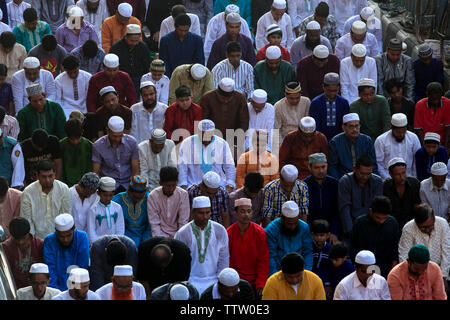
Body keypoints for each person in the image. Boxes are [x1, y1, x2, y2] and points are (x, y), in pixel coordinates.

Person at [174, 196, 229, 295]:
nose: (205, 217)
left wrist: (220, 280)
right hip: (190, 279)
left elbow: (224, 258)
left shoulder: (219, 230)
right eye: (201, 213)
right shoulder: (183, 233)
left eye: (207, 212)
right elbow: (179, 262)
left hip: (215, 279)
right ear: (193, 213)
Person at [398, 203, 450, 286]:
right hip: (416, 273)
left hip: (440, 272)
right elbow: (404, 256)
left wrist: (443, 276)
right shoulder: (408, 228)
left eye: (430, 226)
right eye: (422, 228)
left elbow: (447, 252)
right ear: (416, 223)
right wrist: (409, 277)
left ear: (434, 219)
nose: (427, 230)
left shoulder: (443, 224)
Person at [227, 198, 269, 298]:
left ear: (252, 213)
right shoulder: (229, 233)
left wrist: (260, 283)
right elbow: (227, 259)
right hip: (235, 279)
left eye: (248, 211)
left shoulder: (260, 232)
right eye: (242, 211)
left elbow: (263, 260)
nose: (246, 215)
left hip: (255, 280)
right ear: (235, 213)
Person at [177, 119, 236, 190]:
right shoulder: (187, 143)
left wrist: (230, 184)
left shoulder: (222, 143)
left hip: (217, 186)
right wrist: (183, 185)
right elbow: (182, 167)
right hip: (193, 185)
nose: (206, 139)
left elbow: (229, 166)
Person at [350, 196, 400, 278]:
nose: (381, 221)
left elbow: (395, 247)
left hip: (385, 268)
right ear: (370, 211)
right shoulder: (360, 223)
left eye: (384, 218)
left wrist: (394, 265)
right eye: (378, 217)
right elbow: (353, 247)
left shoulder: (392, 223)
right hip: (364, 268)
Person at [20, 160, 71, 239]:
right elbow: (27, 221)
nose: (47, 180)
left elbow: (66, 216)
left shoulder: (64, 189)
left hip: (60, 238)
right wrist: (34, 241)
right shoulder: (28, 192)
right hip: (36, 239)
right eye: (44, 177)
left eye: (50, 176)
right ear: (37, 176)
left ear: (55, 174)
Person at [338, 155, 383, 244]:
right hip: (351, 227)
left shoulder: (377, 181)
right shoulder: (345, 181)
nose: (365, 177)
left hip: (371, 226)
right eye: (362, 173)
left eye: (368, 174)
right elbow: (344, 209)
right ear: (354, 169)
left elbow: (377, 208)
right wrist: (352, 233)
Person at [43, 213, 90, 291]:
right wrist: (57, 294)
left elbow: (82, 267)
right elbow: (50, 270)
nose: (65, 239)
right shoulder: (49, 241)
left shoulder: (82, 237)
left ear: (74, 229)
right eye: (61, 236)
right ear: (56, 232)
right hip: (56, 290)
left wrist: (73, 293)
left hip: (77, 289)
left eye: (69, 235)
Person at [92, 116, 140, 192]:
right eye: (114, 136)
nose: (117, 139)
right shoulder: (98, 145)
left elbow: (135, 169)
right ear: (107, 131)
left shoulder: (132, 142)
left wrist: (134, 188)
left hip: (128, 184)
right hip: (107, 185)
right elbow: (96, 171)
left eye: (120, 136)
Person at [265, 201, 313, 276]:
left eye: (295, 223)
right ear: (282, 218)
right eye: (289, 223)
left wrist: (305, 274)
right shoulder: (271, 229)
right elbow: (270, 256)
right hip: (279, 271)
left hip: (300, 271)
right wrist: (275, 277)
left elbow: (308, 253)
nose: (292, 227)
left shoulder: (304, 228)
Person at [328, 113, 378, 179]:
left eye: (357, 126)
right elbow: (333, 166)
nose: (354, 129)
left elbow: (373, 163)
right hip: (343, 178)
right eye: (351, 127)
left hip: (364, 177)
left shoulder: (367, 140)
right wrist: (339, 181)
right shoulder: (335, 142)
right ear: (344, 127)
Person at [303, 153, 340, 241]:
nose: (321, 171)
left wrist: (334, 232)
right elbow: (304, 213)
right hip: (311, 231)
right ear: (309, 168)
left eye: (323, 167)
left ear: (327, 166)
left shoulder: (334, 184)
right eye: (316, 168)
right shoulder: (304, 185)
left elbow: (337, 211)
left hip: (330, 230)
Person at [374, 113, 421, 180]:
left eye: (403, 131)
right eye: (398, 132)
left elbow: (416, 162)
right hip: (387, 179)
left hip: (409, 178)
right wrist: (388, 179)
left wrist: (413, 179)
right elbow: (379, 164)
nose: (401, 134)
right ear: (391, 128)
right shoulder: (381, 140)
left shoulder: (413, 138)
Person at [1, 217, 43, 289]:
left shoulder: (39, 245)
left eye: (23, 238)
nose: (21, 242)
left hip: (37, 289)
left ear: (29, 233)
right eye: (17, 239)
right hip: (15, 291)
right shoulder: (5, 248)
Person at [147, 166, 190, 238]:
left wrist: (178, 238)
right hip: (159, 235)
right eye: (168, 186)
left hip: (179, 235)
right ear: (160, 183)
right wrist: (162, 239)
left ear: (177, 182)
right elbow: (154, 224)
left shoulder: (183, 195)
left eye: (174, 185)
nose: (171, 189)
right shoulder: (153, 196)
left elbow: (183, 222)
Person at [110, 24, 151, 96]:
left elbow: (147, 67)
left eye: (136, 41)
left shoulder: (143, 47)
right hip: (120, 80)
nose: (134, 43)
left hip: (139, 80)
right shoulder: (116, 48)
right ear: (126, 37)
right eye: (132, 41)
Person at [159, 14, 204, 78]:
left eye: (186, 31)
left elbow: (199, 61)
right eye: (180, 30)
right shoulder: (166, 40)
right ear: (175, 26)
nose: (183, 33)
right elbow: (164, 62)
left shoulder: (197, 40)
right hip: (171, 76)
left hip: (191, 77)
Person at [112, 175, 151, 247]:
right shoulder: (118, 199)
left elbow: (151, 225)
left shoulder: (149, 199)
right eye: (135, 193)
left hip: (145, 235)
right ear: (129, 190)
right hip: (125, 235)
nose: (138, 195)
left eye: (141, 193)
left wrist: (145, 241)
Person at [382, 158, 421, 229]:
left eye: (403, 173)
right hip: (392, 224)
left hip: (412, 222)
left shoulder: (414, 183)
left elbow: (417, 204)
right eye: (397, 174)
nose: (402, 177)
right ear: (390, 174)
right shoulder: (385, 186)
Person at [309, 73, 349, 141]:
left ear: (339, 87)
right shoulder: (316, 103)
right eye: (329, 91)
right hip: (320, 138)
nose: (332, 94)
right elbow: (316, 125)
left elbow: (345, 124)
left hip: (340, 139)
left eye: (335, 91)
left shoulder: (343, 103)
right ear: (323, 87)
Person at [349, 78, 390, 142]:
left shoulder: (382, 101)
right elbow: (356, 126)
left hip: (382, 137)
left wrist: (384, 138)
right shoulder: (354, 105)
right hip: (362, 139)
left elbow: (386, 121)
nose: (369, 97)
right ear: (359, 94)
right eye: (365, 95)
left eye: (372, 94)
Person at [86, 176, 125, 243]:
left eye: (110, 195)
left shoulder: (117, 207)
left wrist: (116, 241)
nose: (108, 198)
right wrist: (97, 244)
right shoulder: (93, 209)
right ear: (98, 193)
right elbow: (91, 230)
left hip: (115, 243)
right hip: (98, 243)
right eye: (105, 195)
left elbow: (120, 227)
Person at [413, 82, 450, 148]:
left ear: (441, 95)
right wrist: (425, 146)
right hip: (425, 141)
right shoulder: (419, 105)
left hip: (442, 141)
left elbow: (448, 127)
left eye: (437, 97)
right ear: (427, 95)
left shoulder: (447, 103)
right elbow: (418, 129)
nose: (435, 100)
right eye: (432, 98)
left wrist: (446, 146)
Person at [55, 55, 92, 119]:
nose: (72, 75)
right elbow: (58, 100)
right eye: (69, 73)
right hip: (66, 110)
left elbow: (89, 98)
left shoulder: (88, 77)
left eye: (75, 72)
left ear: (79, 66)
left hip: (84, 108)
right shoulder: (59, 80)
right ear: (64, 70)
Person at [60, 120, 93, 188]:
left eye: (78, 138)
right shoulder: (61, 145)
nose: (75, 142)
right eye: (72, 139)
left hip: (85, 185)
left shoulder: (89, 146)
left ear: (82, 133)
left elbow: (91, 168)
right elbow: (59, 169)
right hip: (65, 185)